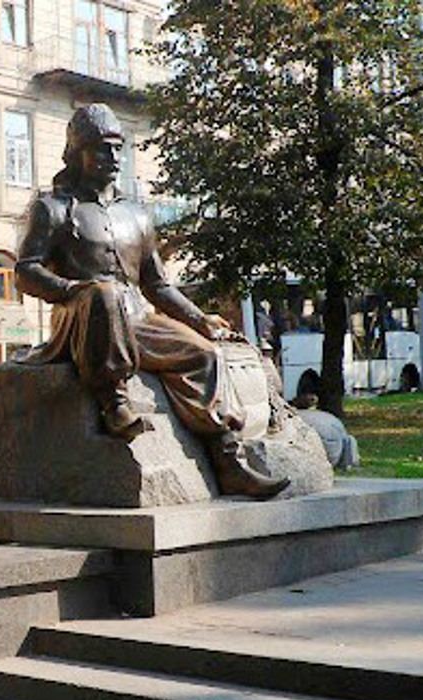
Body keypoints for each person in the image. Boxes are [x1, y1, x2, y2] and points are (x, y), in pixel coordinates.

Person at [15, 104, 288, 499]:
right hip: (80, 316)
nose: (113, 157)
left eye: (118, 147)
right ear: (77, 152)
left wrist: (200, 320)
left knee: (204, 355)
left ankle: (229, 461)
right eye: (102, 148)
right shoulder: (52, 208)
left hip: (137, 320)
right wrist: (74, 290)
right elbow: (26, 270)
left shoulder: (136, 214)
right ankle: (114, 401)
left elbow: (157, 285)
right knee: (103, 294)